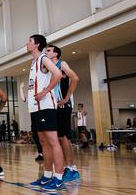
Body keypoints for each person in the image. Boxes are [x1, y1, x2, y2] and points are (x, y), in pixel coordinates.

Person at [26, 34, 65, 191]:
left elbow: (58, 75)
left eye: (29, 41)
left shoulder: (43, 59)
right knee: (43, 143)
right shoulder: (34, 62)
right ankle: (47, 175)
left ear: (37, 44)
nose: (27, 44)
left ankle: (59, 178)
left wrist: (45, 91)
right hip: (35, 108)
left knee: (53, 141)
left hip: (45, 107)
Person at [46, 44, 81, 182]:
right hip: (54, 106)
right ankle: (68, 167)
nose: (46, 52)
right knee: (59, 138)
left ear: (55, 54)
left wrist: (66, 98)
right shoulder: (49, 68)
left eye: (48, 50)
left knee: (64, 137)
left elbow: (75, 78)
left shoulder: (62, 64)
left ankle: (72, 168)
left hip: (63, 105)